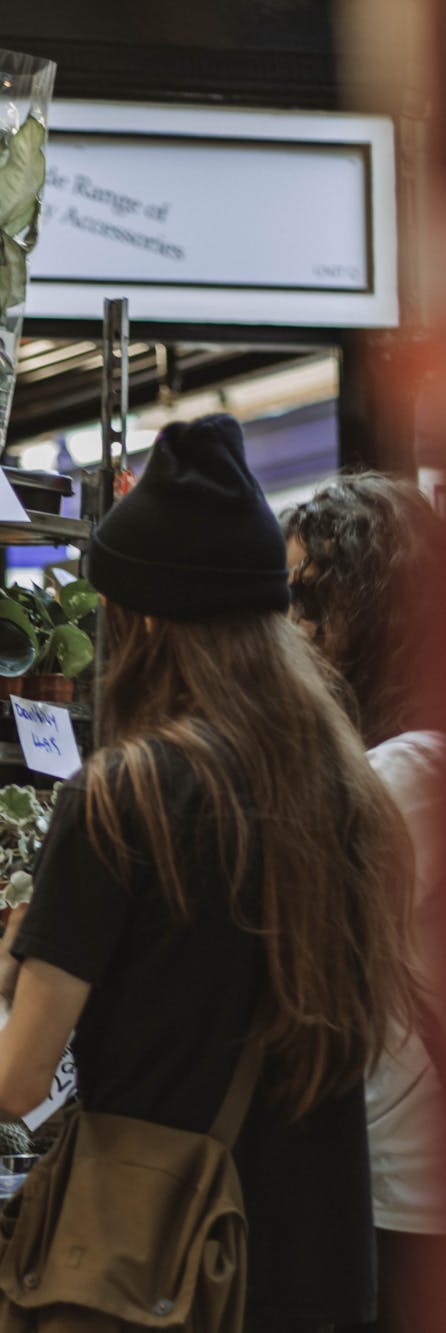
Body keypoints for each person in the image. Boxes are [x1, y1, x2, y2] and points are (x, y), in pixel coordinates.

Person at [0, 415, 417, 1332]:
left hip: (160, 1273)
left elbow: (17, 1081)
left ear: (137, 618)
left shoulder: (124, 796)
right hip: (326, 1275)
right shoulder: (355, 801)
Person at [283, 473, 446, 1333]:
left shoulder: (407, 771)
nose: (296, 631)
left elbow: (289, 923)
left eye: (313, 601)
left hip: (401, 1196)